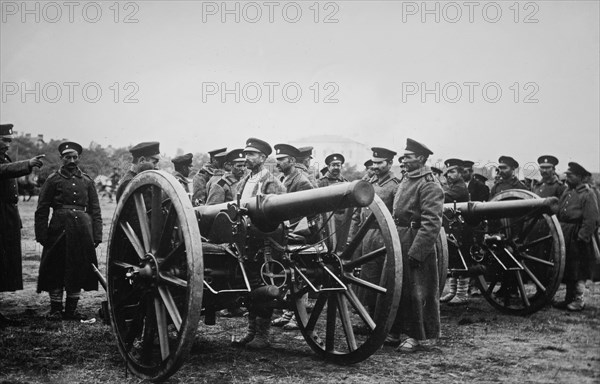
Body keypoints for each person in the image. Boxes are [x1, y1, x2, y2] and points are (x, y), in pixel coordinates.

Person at [34, 141, 102, 320]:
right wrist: (41, 235)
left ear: (78, 158)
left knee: (78, 268)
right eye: (67, 157)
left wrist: (97, 235)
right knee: (55, 267)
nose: (71, 160)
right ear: (61, 159)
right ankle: (56, 309)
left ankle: (71, 310)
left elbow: (95, 210)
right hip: (58, 230)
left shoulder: (87, 181)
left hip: (82, 231)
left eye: (74, 157)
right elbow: (42, 209)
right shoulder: (53, 180)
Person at [388, 138, 444, 353]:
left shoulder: (429, 183)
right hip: (399, 237)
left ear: (420, 158)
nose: (404, 159)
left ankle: (416, 335)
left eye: (408, 157)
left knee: (416, 292)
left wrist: (417, 251)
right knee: (396, 287)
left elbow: (432, 222)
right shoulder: (406, 178)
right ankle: (394, 330)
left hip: (415, 239)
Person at [234, 138, 285, 350]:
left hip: (265, 241)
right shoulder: (245, 181)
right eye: (246, 154)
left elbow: (281, 214)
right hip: (245, 240)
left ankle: (262, 335)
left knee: (263, 286)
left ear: (263, 158)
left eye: (252, 154)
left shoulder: (271, 182)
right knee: (250, 285)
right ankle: (251, 332)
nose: (247, 158)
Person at [0, 123, 44, 326]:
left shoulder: (4, 157)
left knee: (6, 261)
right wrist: (28, 163)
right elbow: (4, 171)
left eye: (9, 141)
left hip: (7, 215)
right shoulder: (4, 162)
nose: (7, 145)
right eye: (4, 140)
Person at [270, 143, 315, 330]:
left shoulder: (302, 182)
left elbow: (309, 211)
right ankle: (289, 312)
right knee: (288, 275)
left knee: (299, 276)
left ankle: (298, 316)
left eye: (281, 159)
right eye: (277, 159)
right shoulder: (284, 178)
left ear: (292, 161)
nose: (278, 162)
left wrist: (295, 231)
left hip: (298, 233)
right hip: (284, 232)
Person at [356, 148, 400, 313]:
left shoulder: (395, 186)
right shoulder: (369, 181)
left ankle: (378, 318)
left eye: (380, 163)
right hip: (366, 235)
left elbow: (396, 215)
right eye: (373, 163)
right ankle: (369, 316)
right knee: (367, 275)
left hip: (383, 236)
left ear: (389, 164)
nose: (375, 166)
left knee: (381, 278)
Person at [552, 163, 599, 311]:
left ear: (579, 177)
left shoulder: (588, 194)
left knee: (579, 270)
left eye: (570, 175)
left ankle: (578, 300)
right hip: (565, 233)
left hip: (578, 236)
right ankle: (568, 299)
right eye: (566, 175)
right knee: (569, 268)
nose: (567, 177)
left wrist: (582, 236)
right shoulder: (568, 191)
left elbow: (591, 219)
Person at [439, 159, 470, 306]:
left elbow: (445, 197)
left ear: (460, 173)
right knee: (453, 258)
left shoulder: (460, 188)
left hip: (461, 228)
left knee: (461, 258)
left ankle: (461, 294)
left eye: (452, 172)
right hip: (453, 226)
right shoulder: (452, 186)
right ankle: (453, 291)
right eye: (447, 172)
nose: (448, 175)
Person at [317, 153, 349, 247]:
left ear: (341, 166)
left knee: (340, 244)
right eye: (333, 165)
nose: (336, 167)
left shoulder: (345, 182)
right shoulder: (321, 182)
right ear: (328, 166)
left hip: (340, 220)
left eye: (338, 165)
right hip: (325, 220)